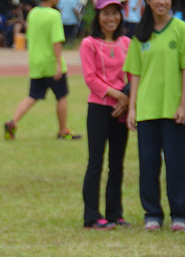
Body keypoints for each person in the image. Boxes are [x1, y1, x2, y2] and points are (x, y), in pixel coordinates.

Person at [124, 0, 185, 231]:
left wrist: (184, 104)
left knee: (176, 163)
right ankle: (152, 213)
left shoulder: (182, 29)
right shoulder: (140, 34)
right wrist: (132, 108)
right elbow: (136, 75)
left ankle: (180, 214)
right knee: (148, 163)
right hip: (147, 110)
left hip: (174, 111)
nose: (161, 2)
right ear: (147, 2)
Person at [80, 0, 131, 230]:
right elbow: (91, 79)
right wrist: (119, 97)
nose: (111, 18)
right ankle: (91, 216)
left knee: (117, 163)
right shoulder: (89, 44)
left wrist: (126, 99)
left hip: (122, 108)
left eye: (115, 13)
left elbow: (134, 75)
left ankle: (114, 213)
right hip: (99, 108)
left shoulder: (127, 43)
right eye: (106, 14)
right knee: (95, 162)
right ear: (98, 16)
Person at [4, 0, 81, 140]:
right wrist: (58, 63)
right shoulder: (54, 15)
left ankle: (13, 121)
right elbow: (56, 40)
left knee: (32, 96)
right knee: (62, 96)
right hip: (51, 61)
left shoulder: (32, 13)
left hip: (36, 62)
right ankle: (63, 131)